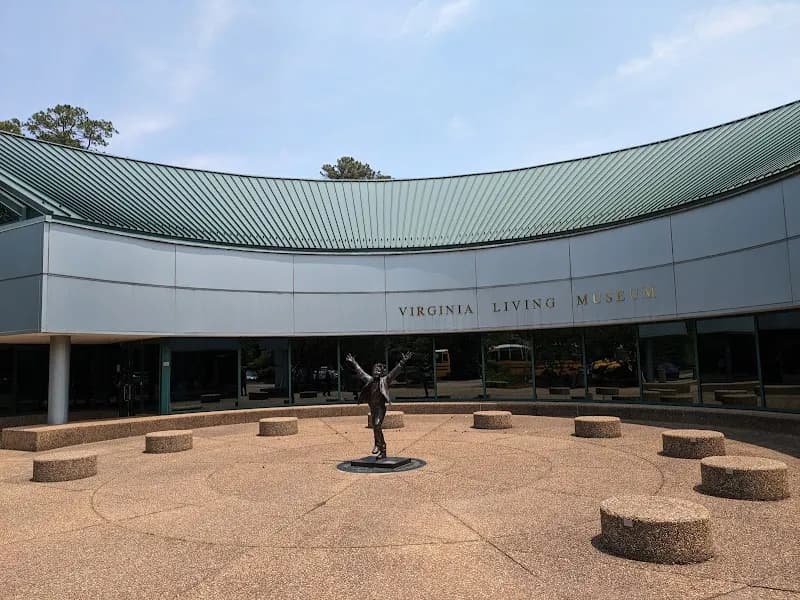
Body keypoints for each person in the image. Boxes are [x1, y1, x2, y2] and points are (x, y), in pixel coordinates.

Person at [345, 351, 412, 459]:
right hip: (373, 408)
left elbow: (395, 372)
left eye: (378, 370)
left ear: (381, 372)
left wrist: (403, 361)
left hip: (380, 408)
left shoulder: (385, 380)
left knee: (376, 425)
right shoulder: (369, 380)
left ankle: (381, 445)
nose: (376, 371)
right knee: (376, 428)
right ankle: (380, 448)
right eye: (374, 370)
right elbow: (361, 372)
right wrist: (354, 362)